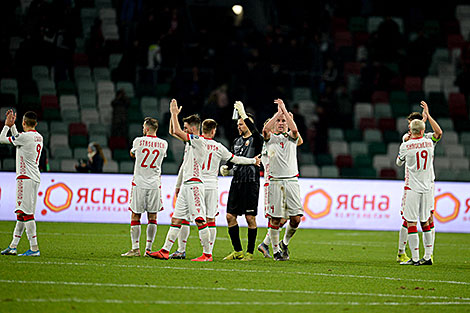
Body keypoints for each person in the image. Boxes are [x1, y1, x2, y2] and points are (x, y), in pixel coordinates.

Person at [169, 118, 261, 259]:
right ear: (214, 131)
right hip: (211, 185)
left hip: (195, 183)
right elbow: (235, 159)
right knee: (209, 219)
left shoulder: (193, 142)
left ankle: (181, 249)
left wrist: (173, 113)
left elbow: (183, 163)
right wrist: (253, 161)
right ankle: (208, 252)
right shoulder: (218, 146)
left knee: (185, 218)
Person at [147, 99, 212, 262]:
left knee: (199, 219)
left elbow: (176, 130)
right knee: (176, 219)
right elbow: (172, 131)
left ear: (193, 128)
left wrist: (175, 114)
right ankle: (165, 250)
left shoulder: (198, 141)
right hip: (186, 186)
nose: (183, 130)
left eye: (186, 128)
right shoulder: (191, 142)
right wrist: (172, 114)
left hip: (195, 185)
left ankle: (207, 254)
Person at [396, 101, 442, 264]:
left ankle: (421, 256)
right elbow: (435, 133)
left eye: (410, 125)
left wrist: (425, 118)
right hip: (426, 185)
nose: (408, 128)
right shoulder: (429, 142)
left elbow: (399, 161)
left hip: (417, 186)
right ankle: (405, 252)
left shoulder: (407, 143)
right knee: (418, 220)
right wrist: (426, 117)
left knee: (420, 219)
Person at [221, 101, 263, 261]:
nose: (239, 126)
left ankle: (250, 253)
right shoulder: (236, 141)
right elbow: (233, 158)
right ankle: (237, 251)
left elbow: (255, 131)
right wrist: (226, 167)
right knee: (230, 216)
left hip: (251, 182)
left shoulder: (257, 140)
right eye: (238, 124)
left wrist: (244, 113)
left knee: (249, 218)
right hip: (236, 182)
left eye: (242, 124)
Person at [262, 99, 303, 261]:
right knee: (276, 218)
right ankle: (276, 250)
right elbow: (265, 129)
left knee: (296, 218)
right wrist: (279, 113)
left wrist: (284, 111)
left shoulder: (292, 137)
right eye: (278, 121)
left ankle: (285, 243)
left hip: (292, 181)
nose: (280, 123)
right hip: (275, 182)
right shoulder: (269, 138)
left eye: (283, 121)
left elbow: (295, 129)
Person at [121, 117, 168, 257]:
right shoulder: (163, 143)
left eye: (143, 127)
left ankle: (135, 248)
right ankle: (148, 249)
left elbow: (133, 154)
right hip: (154, 183)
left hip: (139, 183)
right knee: (152, 216)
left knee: (136, 214)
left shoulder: (138, 141)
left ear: (147, 128)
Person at [0, 110, 43, 257]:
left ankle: (34, 248)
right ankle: (13, 246)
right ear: (36, 123)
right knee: (22, 213)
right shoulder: (38, 137)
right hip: (34, 177)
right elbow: (19, 138)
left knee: (27, 214)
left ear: (24, 123)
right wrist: (14, 127)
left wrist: (7, 125)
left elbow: (1, 139)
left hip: (24, 178)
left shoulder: (24, 137)